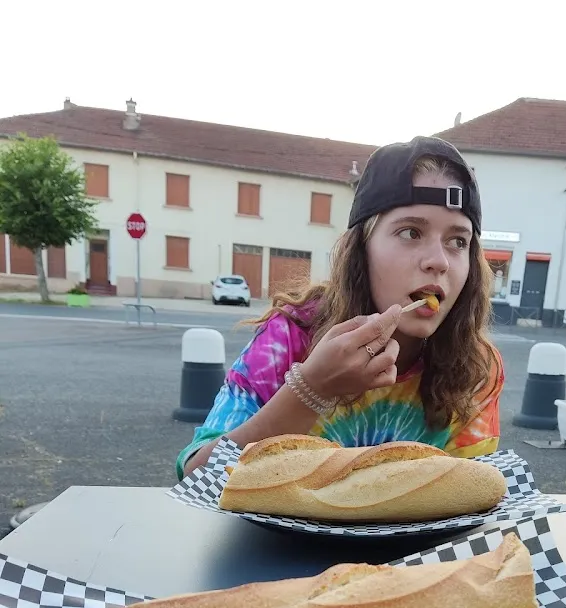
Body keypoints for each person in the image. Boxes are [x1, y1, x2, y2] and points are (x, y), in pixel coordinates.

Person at [177, 136, 505, 480]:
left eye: (458, 242)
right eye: (410, 232)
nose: (439, 261)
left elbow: (472, 492)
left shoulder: (477, 368)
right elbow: (198, 477)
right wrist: (312, 389)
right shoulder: (291, 335)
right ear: (361, 250)